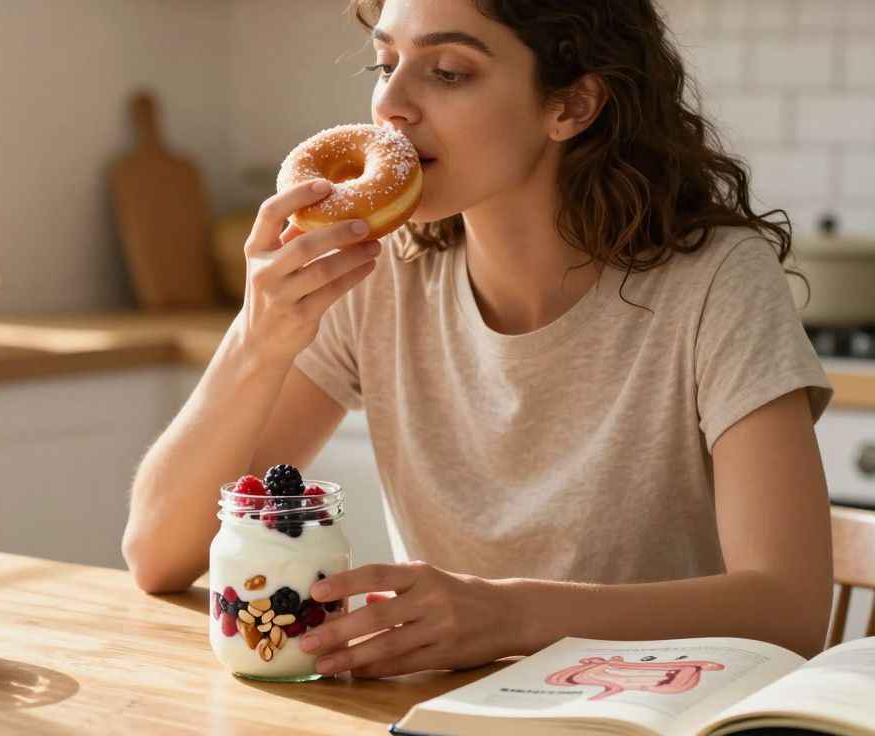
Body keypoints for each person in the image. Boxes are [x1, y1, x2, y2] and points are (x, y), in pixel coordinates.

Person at [122, 0, 834, 679]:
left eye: (449, 72)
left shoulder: (716, 283)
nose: (390, 106)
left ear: (572, 105)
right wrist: (258, 337)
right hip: (443, 710)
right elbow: (157, 554)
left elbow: (790, 608)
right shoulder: (379, 273)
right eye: (384, 63)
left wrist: (513, 615)